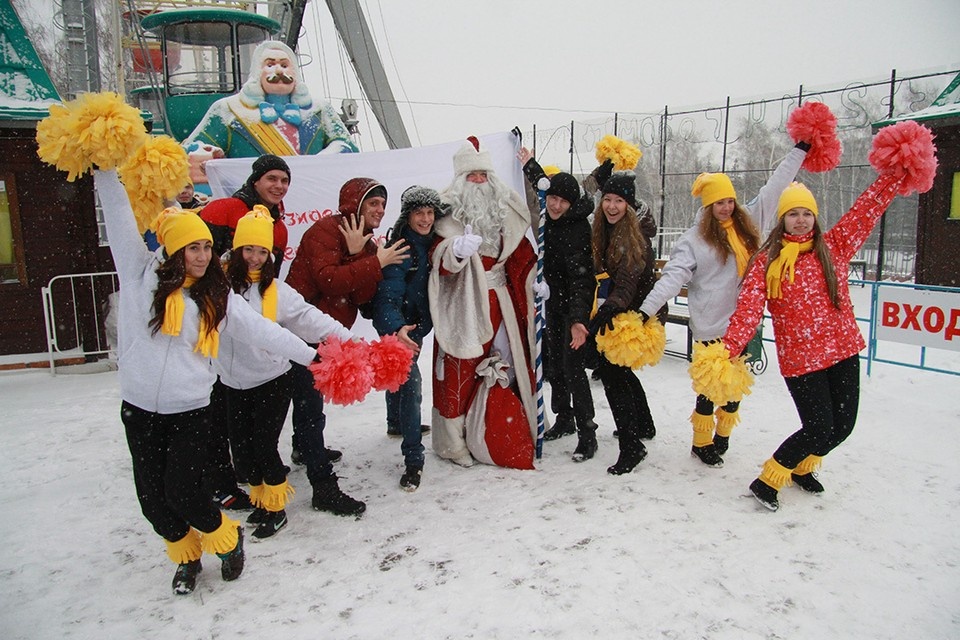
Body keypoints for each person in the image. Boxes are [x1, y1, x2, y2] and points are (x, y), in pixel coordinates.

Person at [94, 169, 320, 595]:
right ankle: (187, 557)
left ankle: (226, 538)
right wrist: (104, 170)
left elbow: (262, 329)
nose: (201, 255)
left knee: (183, 491)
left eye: (205, 246)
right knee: (153, 501)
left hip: (190, 410)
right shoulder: (140, 276)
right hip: (138, 408)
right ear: (172, 248)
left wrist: (313, 356)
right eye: (192, 247)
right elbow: (119, 213)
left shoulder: (215, 294)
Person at [724, 170, 920, 511]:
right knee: (818, 428)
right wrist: (728, 349)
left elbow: (867, 208)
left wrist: (896, 173)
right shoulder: (766, 262)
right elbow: (748, 311)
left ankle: (802, 469)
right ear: (782, 219)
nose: (800, 221)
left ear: (814, 216)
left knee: (842, 428)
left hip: (843, 351)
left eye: (806, 213)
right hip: (801, 361)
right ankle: (768, 480)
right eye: (793, 214)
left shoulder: (835, 246)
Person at [638, 142, 809, 467]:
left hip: (743, 326)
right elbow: (673, 278)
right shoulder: (694, 240)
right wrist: (646, 310)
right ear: (708, 206)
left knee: (734, 390)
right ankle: (701, 442)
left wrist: (800, 150)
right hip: (710, 328)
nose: (727, 207)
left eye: (729, 200)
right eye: (719, 202)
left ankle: (723, 436)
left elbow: (776, 184)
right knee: (709, 389)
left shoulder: (750, 223)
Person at [216, 207, 354, 539]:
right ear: (237, 249)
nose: (254, 258)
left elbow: (310, 318)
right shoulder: (219, 286)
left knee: (264, 448)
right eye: (248, 249)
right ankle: (262, 499)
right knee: (244, 453)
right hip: (231, 383)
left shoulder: (276, 290)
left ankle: (275, 508)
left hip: (271, 381)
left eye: (262, 251)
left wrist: (349, 340)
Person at [284, 177, 409, 515]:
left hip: (327, 331)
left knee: (305, 401)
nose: (380, 211)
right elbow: (329, 280)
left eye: (383, 205)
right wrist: (370, 262)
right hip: (298, 330)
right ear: (355, 204)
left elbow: (361, 295)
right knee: (306, 406)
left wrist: (360, 256)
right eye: (373, 204)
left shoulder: (366, 245)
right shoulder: (324, 230)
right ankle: (322, 485)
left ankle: (302, 449)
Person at [429, 138, 538, 469]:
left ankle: (507, 421)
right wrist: (456, 252)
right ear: (461, 179)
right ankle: (453, 442)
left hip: (503, 300)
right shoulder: (445, 210)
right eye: (472, 175)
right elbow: (436, 259)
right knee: (460, 369)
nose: (479, 181)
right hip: (465, 301)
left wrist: (536, 275)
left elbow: (521, 253)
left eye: (483, 174)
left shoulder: (504, 205)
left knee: (509, 360)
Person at [199, 154, 298, 512]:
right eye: (272, 178)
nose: (278, 186)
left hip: (249, 336)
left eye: (284, 181)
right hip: (213, 331)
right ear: (255, 180)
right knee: (215, 419)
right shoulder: (224, 208)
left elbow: (267, 283)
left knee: (242, 427)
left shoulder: (280, 227)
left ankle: (249, 475)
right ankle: (220, 484)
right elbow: (197, 261)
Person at [182, 40, 357, 186]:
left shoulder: (319, 109)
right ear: (258, 72)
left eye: (284, 65)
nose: (279, 71)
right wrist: (206, 155)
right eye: (271, 64)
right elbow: (187, 152)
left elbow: (348, 147)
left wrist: (325, 158)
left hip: (308, 203)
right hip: (251, 208)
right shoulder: (228, 109)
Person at [518, 147, 599, 462]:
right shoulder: (548, 208)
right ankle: (563, 418)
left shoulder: (578, 228)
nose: (555, 204)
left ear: (571, 204)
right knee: (554, 366)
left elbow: (583, 278)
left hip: (571, 307)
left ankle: (587, 434)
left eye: (562, 202)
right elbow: (541, 182)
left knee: (574, 369)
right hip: (551, 302)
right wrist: (528, 164)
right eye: (553, 199)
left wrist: (579, 320)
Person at [589, 170, 665, 475]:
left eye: (618, 200)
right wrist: (600, 176)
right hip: (622, 310)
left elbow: (627, 281)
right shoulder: (605, 229)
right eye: (607, 199)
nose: (611, 205)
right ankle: (643, 425)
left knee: (612, 375)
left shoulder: (633, 238)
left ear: (629, 205)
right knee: (618, 372)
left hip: (636, 314)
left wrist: (612, 306)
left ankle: (633, 446)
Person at [370, 186, 442, 491]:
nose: (425, 219)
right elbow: (387, 296)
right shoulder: (401, 249)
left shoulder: (431, 243)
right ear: (407, 216)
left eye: (430, 213)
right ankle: (414, 460)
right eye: (418, 213)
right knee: (411, 386)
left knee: (397, 380)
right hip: (399, 327)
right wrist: (396, 328)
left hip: (412, 323)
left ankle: (395, 423)